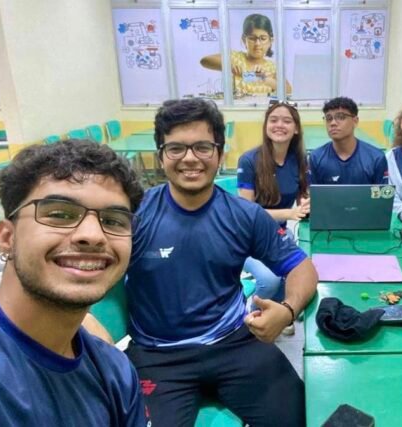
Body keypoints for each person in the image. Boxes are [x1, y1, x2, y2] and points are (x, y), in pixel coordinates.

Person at [122, 98, 317, 426]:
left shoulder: (244, 215)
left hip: (234, 342)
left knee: (301, 416)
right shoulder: (134, 216)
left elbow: (302, 268)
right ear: (161, 156)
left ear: (220, 153)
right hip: (157, 357)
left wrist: (286, 310)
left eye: (202, 147)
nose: (189, 159)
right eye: (176, 149)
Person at [0, 140, 146, 425]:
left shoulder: (116, 374)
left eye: (114, 220)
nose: (93, 235)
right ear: (7, 237)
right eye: (60, 214)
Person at [237, 100, 310, 335]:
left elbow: (303, 198)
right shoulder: (249, 160)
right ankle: (246, 315)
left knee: (299, 271)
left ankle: (277, 312)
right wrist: (289, 213)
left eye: (287, 120)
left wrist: (309, 204)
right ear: (266, 125)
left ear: (296, 128)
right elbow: (246, 211)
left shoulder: (299, 160)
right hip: (247, 236)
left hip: (278, 234)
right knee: (269, 280)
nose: (280, 125)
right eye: (274, 120)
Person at [200, 13, 291, 97]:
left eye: (263, 38)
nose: (257, 44)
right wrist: (230, 66)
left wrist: (262, 78)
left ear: (271, 41)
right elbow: (205, 61)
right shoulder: (235, 57)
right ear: (244, 40)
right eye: (252, 38)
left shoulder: (272, 67)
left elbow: (288, 90)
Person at [310, 96, 388, 185]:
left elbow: (382, 197)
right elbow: (312, 196)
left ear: (355, 121)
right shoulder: (316, 158)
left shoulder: (376, 158)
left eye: (341, 117)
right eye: (328, 118)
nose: (333, 123)